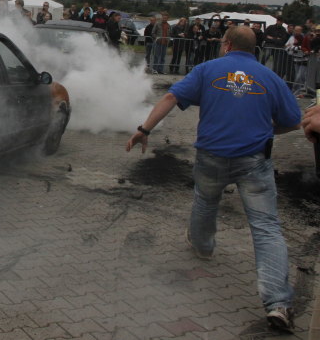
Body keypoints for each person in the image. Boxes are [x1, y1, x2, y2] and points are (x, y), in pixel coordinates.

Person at [126, 26, 301, 332]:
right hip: (254, 160)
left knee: (206, 202)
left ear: (227, 44)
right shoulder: (270, 78)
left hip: (211, 156)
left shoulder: (207, 70)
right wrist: (266, 129)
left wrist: (144, 129)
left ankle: (203, 246)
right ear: (255, 48)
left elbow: (171, 96)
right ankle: (278, 304)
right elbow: (294, 122)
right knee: (266, 228)